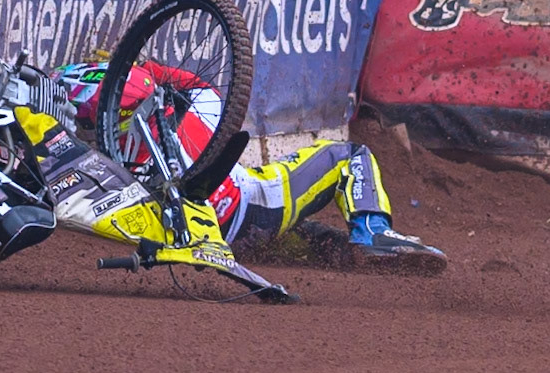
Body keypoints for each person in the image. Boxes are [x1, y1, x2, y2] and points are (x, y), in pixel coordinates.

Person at [53, 60, 447, 273]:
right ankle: (374, 233)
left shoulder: (105, 163)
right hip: (257, 204)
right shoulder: (202, 113)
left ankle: (346, 255)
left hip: (209, 232)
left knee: (315, 243)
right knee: (348, 157)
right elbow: (191, 83)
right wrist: (146, 67)